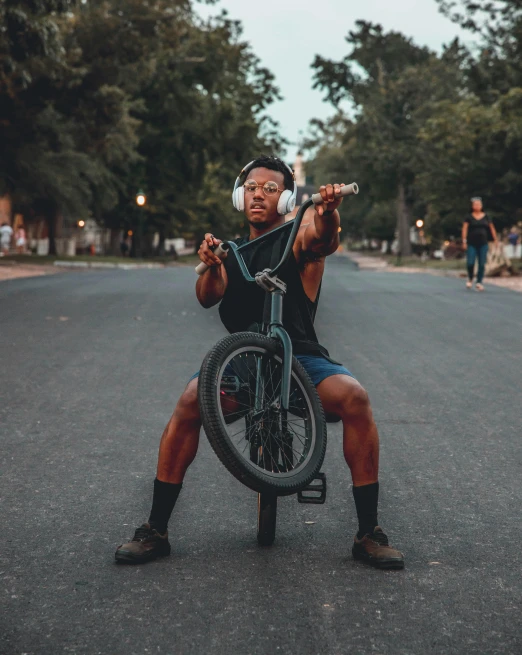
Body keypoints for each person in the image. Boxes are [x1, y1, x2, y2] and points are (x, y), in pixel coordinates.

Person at [115, 156, 404, 570]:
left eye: (270, 189)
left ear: (286, 198)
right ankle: (155, 529)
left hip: (298, 357)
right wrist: (213, 265)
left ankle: (369, 533)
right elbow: (206, 295)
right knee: (190, 402)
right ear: (239, 195)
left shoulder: (297, 236)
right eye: (252, 188)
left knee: (355, 398)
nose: (258, 195)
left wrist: (328, 214)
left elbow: (323, 239)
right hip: (242, 360)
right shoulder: (230, 251)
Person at [462, 197, 497, 292]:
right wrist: (464, 241)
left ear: (481, 206)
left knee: (482, 263)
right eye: (475, 205)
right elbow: (465, 229)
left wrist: (495, 239)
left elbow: (491, 228)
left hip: (483, 243)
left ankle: (479, 281)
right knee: (470, 262)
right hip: (471, 243)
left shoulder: (486, 217)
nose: (477, 206)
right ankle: (470, 277)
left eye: (478, 204)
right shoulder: (469, 217)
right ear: (472, 206)